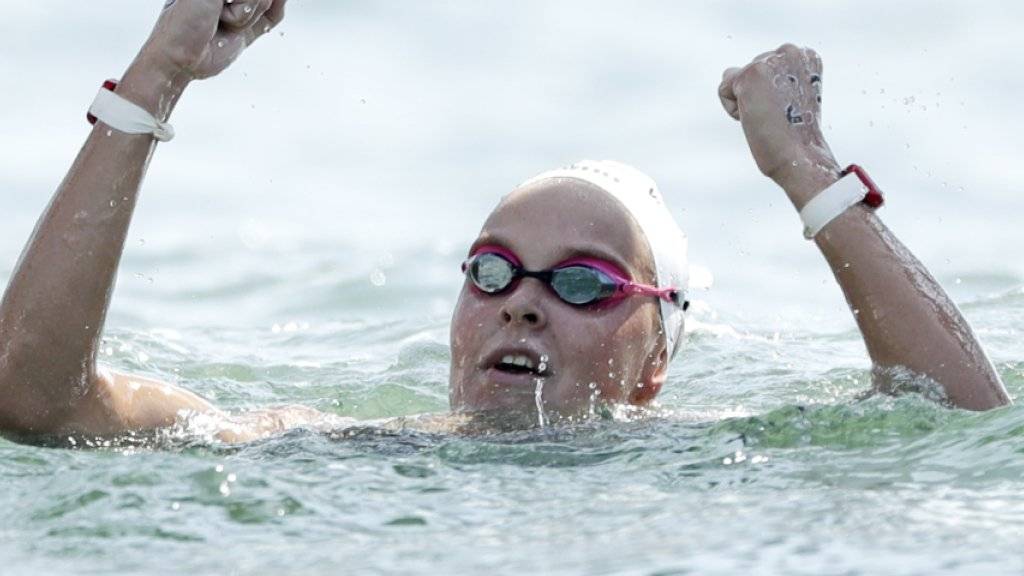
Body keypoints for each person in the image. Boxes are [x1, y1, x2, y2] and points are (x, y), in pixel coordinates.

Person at [0, 0, 1011, 445]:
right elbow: (36, 401)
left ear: (654, 365)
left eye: (582, 285)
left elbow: (961, 415)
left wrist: (808, 173)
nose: (523, 305)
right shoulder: (343, 445)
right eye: (492, 273)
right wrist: (156, 80)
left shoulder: (699, 456)